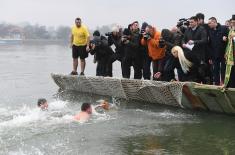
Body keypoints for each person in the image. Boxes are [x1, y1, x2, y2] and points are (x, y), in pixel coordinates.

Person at [182, 16, 207, 83]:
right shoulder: (188, 29)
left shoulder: (202, 29)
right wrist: (183, 44)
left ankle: (204, 83)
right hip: (189, 54)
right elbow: (183, 39)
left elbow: (204, 40)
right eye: (189, 22)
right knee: (191, 71)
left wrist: (194, 42)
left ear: (196, 22)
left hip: (199, 55)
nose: (190, 23)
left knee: (200, 72)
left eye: (192, 22)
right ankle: (193, 84)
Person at [207, 17, 229, 85]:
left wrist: (226, 38)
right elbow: (209, 44)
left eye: (210, 23)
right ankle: (216, 84)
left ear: (214, 22)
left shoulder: (224, 28)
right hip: (214, 54)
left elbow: (230, 39)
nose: (209, 25)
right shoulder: (210, 31)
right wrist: (210, 57)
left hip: (223, 54)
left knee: (223, 70)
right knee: (215, 71)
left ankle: (224, 84)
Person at [224, 15, 235, 88]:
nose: (233, 24)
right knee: (231, 71)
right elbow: (229, 43)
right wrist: (226, 52)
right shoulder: (230, 30)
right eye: (232, 22)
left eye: (234, 22)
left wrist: (234, 37)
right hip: (230, 54)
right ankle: (230, 85)